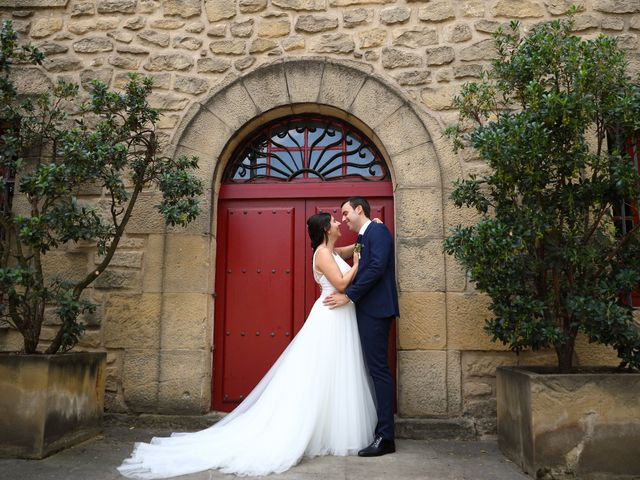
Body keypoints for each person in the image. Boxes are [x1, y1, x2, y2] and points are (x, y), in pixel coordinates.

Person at [117, 212, 377, 479]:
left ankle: (331, 430)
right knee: (318, 375)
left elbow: (352, 248)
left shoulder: (332, 251)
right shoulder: (323, 253)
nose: (337, 223)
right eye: (334, 221)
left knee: (334, 374)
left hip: (339, 318)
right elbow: (343, 283)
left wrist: (368, 229)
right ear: (325, 229)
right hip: (329, 318)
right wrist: (358, 262)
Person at [323, 196, 399, 457]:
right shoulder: (365, 236)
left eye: (346, 214)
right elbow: (346, 253)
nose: (343, 219)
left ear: (359, 210)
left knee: (378, 371)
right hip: (368, 310)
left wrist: (350, 295)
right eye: (340, 218)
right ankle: (381, 432)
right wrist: (324, 244)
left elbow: (377, 267)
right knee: (374, 369)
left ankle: (385, 437)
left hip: (376, 310)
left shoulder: (377, 231)